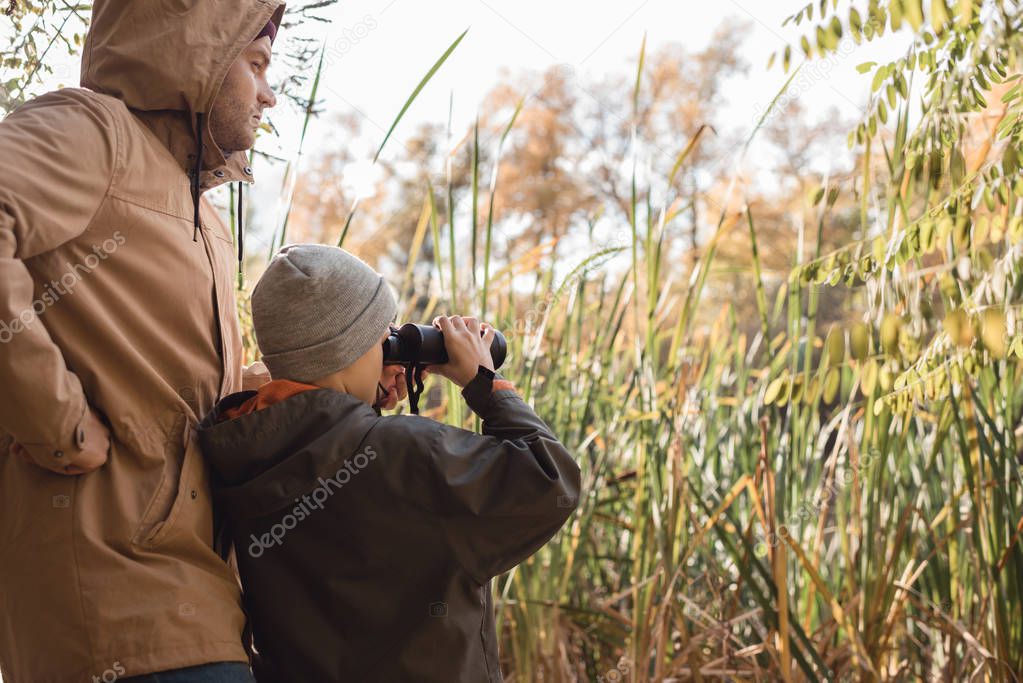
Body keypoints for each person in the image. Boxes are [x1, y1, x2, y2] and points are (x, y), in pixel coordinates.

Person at [0, 1, 287, 681]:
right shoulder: (93, 130)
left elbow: (174, 399)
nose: (269, 94)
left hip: (205, 604)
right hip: (114, 611)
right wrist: (57, 418)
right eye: (256, 64)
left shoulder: (202, 216)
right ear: (200, 54)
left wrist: (318, 388)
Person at [196, 244, 582, 682]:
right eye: (385, 339)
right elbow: (550, 480)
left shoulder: (241, 447)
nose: (392, 352)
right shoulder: (406, 453)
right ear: (351, 349)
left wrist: (354, 401)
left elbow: (327, 447)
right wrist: (483, 380)